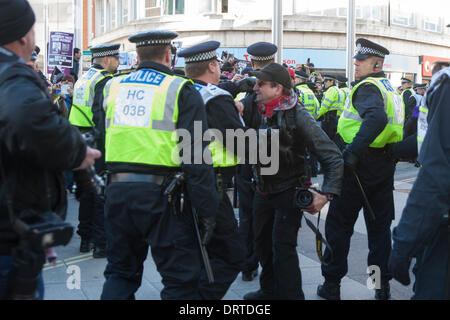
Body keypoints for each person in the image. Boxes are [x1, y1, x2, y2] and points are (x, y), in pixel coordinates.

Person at [100, 30, 219, 300]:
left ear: (138, 55)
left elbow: (100, 137)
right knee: (180, 280)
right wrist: (206, 209)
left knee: (120, 272)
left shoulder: (113, 86)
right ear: (168, 54)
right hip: (162, 198)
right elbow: (196, 157)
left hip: (117, 191)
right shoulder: (179, 89)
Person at [0, 0, 100, 299]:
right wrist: (76, 152)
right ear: (22, 36)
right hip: (9, 237)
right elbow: (24, 117)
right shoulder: (12, 74)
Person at [240, 63, 343, 300]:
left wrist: (326, 195)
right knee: (262, 244)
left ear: (277, 88)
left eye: (261, 84)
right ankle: (268, 291)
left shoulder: (298, 115)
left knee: (282, 249)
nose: (255, 88)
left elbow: (333, 157)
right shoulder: (258, 106)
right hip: (261, 191)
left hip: (288, 193)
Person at [317, 38, 404, 300]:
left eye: (361, 60)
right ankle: (379, 286)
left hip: (358, 168)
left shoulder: (367, 87)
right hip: (382, 167)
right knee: (378, 232)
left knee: (339, 227)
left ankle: (332, 286)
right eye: (356, 58)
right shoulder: (390, 88)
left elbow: (375, 118)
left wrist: (352, 152)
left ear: (377, 63)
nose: (355, 63)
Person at [178, 40, 246, 299]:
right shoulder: (214, 97)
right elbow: (240, 143)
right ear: (211, 65)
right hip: (211, 182)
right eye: (217, 63)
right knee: (232, 253)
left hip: (178, 182)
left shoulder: (180, 91)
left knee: (197, 251)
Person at [389, 66, 450, 300]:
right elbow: (415, 120)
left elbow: (438, 173)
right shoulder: (419, 97)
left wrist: (404, 244)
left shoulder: (437, 89)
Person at [68, 43, 120, 258]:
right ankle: (100, 243)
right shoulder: (104, 80)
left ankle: (85, 237)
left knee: (87, 189)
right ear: (107, 59)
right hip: (95, 139)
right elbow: (100, 114)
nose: (118, 62)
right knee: (99, 191)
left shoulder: (84, 77)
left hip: (79, 139)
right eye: (116, 58)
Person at [233, 42, 278, 282]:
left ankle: (249, 265)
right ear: (273, 61)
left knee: (248, 218)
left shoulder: (244, 94)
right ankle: (271, 268)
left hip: (249, 164)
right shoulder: (286, 90)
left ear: (252, 62)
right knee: (274, 220)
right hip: (278, 166)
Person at [317, 75, 345, 140]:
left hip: (329, 119)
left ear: (332, 81)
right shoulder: (339, 90)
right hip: (337, 118)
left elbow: (324, 107)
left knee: (327, 140)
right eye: (324, 81)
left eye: (326, 81)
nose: (324, 83)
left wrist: (316, 116)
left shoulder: (331, 90)